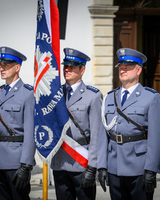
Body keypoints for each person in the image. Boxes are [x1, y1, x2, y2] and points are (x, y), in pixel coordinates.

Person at [97, 48, 160, 200]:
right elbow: (103, 135)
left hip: (139, 167)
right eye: (121, 67)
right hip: (114, 167)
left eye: (127, 67)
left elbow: (157, 138)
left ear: (138, 70)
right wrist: (102, 166)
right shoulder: (109, 97)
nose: (123, 70)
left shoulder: (151, 98)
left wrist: (151, 170)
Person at [0, 46, 36, 200]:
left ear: (17, 67)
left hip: (15, 162)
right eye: (1, 64)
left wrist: (26, 165)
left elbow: (30, 133)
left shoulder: (27, 94)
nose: (2, 68)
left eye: (6, 65)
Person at [50, 48, 103, 200]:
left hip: (82, 161)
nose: (67, 69)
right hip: (60, 160)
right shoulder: (55, 94)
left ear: (82, 70)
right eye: (65, 66)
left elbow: (96, 134)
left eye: (72, 66)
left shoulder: (93, 96)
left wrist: (93, 167)